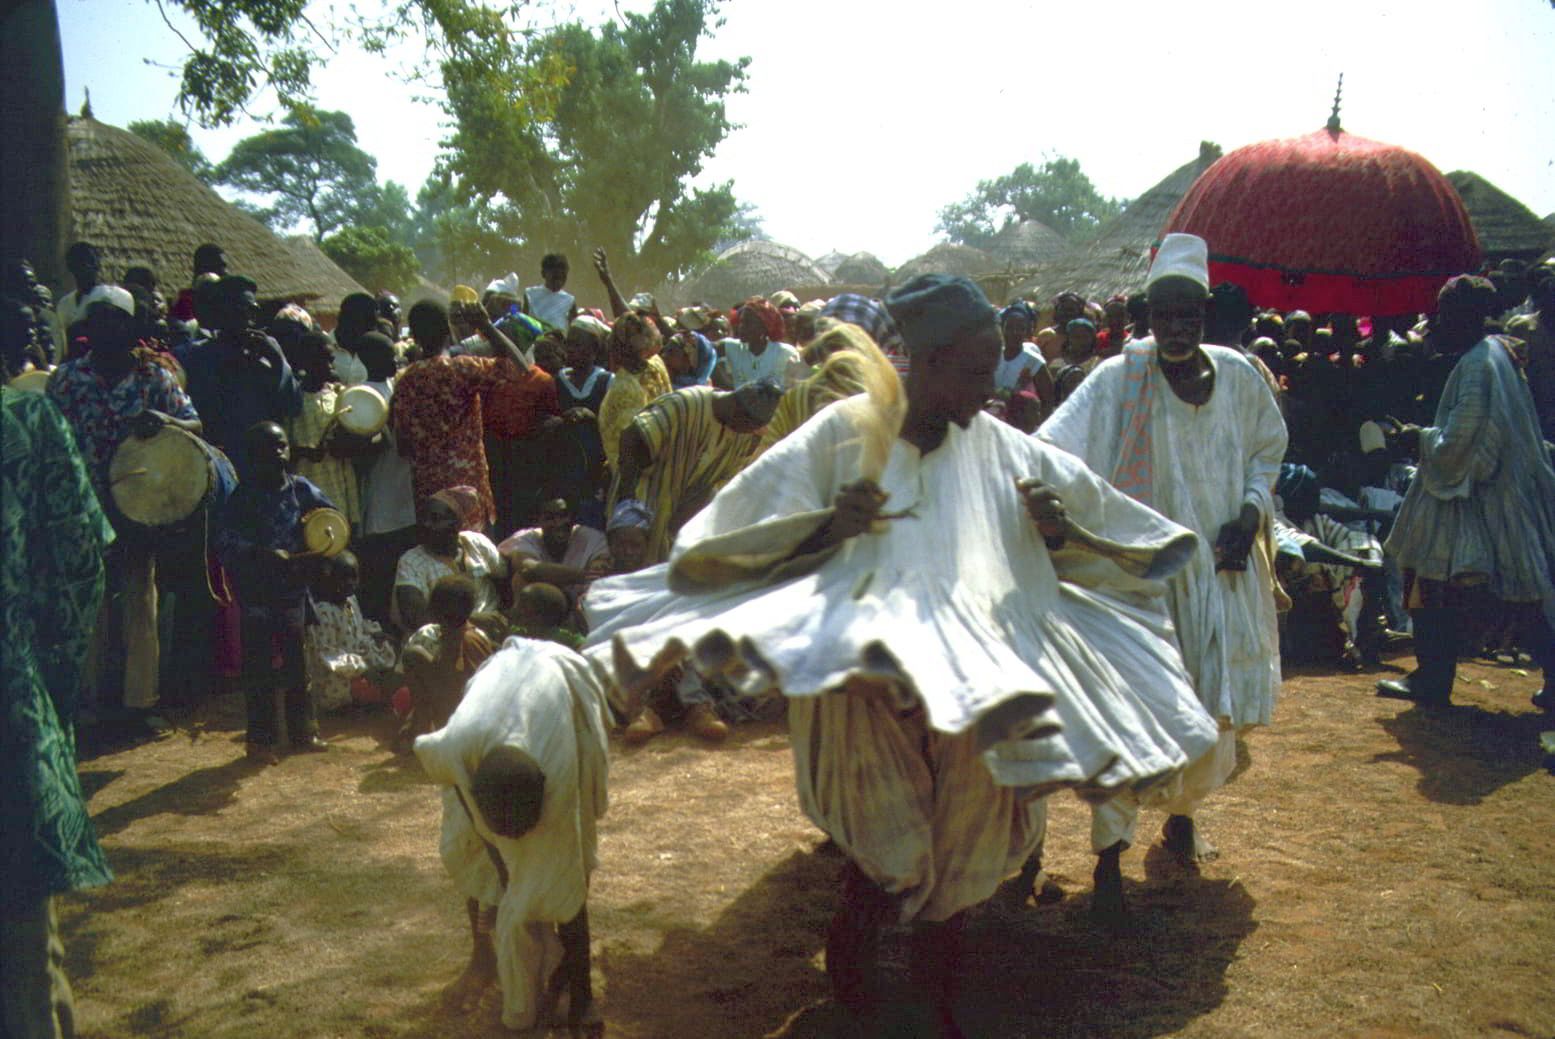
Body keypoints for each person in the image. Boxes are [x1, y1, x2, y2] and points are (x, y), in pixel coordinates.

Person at [583, 275, 1216, 1033]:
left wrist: (1054, 532)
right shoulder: (839, 436)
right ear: (926, 360)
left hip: (968, 696)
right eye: (975, 373)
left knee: (953, 875)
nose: (991, 388)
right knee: (882, 864)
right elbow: (722, 536)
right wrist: (824, 526)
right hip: (866, 697)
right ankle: (856, 998)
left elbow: (1105, 520)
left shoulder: (1001, 448)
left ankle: (935, 1007)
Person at [1039, 233, 1287, 893]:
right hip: (1142, 583)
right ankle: (1109, 863)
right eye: (1164, 314)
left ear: (1204, 317)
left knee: (1208, 714)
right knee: (1134, 716)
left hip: (1220, 575)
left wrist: (1250, 510)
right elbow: (1052, 449)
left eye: (1189, 315)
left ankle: (1181, 815)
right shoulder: (1120, 380)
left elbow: (1267, 448)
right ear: (1145, 316)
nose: (1176, 326)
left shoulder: (1235, 376)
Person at [414, 634, 611, 1036]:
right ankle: (485, 958)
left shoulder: (558, 773)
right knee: (487, 864)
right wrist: (501, 862)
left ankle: (581, 991)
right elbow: (485, 831)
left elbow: (569, 888)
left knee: (565, 884)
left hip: (547, 709)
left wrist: (530, 891)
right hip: (489, 738)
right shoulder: (456, 747)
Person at [1376, 275, 1555, 709]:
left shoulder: (1477, 365)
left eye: (1445, 312)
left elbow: (1462, 443)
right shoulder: (1495, 353)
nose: (1438, 321)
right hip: (1501, 495)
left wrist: (1415, 437)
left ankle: (1432, 681)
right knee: (1523, 593)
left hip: (1476, 498)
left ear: (1464, 317)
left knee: (1432, 584)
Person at [1, 384, 115, 1038]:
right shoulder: (24, 417)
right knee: (21, 954)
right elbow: (78, 564)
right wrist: (46, 695)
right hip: (9, 718)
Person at [46, 284, 203, 730]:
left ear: (129, 327)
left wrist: (166, 420)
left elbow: (195, 421)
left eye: (112, 319)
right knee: (89, 604)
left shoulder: (153, 377)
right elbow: (51, 440)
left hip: (139, 510)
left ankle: (140, 704)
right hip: (84, 507)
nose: (102, 328)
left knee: (140, 603)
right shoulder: (68, 379)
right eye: (95, 320)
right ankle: (87, 703)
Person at [216, 421, 336, 764]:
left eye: (282, 446)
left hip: (293, 590)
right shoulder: (242, 497)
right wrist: (260, 554)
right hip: (256, 592)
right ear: (252, 457)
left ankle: (303, 731)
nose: (278, 454)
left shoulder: (301, 490)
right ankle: (261, 739)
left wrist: (322, 547)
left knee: (298, 663)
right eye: (268, 449)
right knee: (259, 669)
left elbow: (331, 521)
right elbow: (224, 541)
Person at [391, 298, 535, 531]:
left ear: (415, 337)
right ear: (448, 331)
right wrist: (487, 326)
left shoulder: (405, 381)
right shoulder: (463, 369)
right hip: (468, 483)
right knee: (476, 555)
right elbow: (520, 369)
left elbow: (402, 444)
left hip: (428, 491)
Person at [613, 381, 783, 565]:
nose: (754, 433)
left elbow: (723, 480)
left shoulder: (744, 434)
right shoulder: (685, 404)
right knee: (626, 570)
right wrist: (628, 505)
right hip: (642, 501)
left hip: (678, 513)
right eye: (753, 427)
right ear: (739, 412)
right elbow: (631, 438)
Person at [180, 275, 302, 471]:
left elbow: (293, 406)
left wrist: (278, 359)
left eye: (254, 310)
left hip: (263, 465)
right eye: (241, 309)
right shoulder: (195, 357)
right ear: (220, 313)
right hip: (216, 464)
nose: (250, 317)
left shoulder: (266, 355)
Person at [356, 332, 419, 623]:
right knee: (381, 566)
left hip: (405, 489)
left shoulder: (398, 386)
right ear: (370, 360)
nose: (395, 359)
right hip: (382, 490)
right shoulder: (362, 395)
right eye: (387, 355)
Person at [397, 574, 497, 748]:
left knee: (413, 656)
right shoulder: (477, 636)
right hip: (480, 719)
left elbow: (456, 686)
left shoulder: (462, 640)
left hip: (462, 722)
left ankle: (421, 731)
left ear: (433, 611)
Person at [392, 488, 509, 633]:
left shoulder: (476, 543)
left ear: (456, 524)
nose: (426, 524)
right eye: (424, 518)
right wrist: (472, 621)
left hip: (491, 629)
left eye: (435, 519)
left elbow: (506, 575)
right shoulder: (411, 561)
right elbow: (414, 616)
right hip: (444, 636)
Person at [284, 331, 363, 531]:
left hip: (339, 484)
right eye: (323, 360)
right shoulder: (292, 401)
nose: (330, 366)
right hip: (306, 488)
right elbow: (283, 449)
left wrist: (344, 445)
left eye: (331, 360)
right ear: (305, 362)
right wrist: (304, 451)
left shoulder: (340, 396)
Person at [305, 550, 397, 712]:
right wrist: (364, 669)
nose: (350, 583)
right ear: (328, 579)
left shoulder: (350, 601)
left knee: (389, 665)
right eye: (343, 578)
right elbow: (330, 656)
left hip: (355, 664)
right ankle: (345, 704)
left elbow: (358, 626)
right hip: (334, 674)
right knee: (382, 691)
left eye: (354, 577)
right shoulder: (323, 612)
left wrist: (375, 634)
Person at [596, 312, 670, 477]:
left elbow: (635, 448)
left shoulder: (625, 387)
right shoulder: (655, 363)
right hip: (661, 464)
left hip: (639, 476)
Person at [499, 498, 609, 606]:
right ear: (538, 521)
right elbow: (527, 568)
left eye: (563, 516)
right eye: (549, 518)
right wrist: (581, 575)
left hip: (580, 607)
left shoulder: (592, 537)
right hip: (543, 608)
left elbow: (598, 573)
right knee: (520, 579)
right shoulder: (526, 537)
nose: (558, 523)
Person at [715, 296, 806, 390]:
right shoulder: (732, 347)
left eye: (748, 323)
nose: (741, 327)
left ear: (764, 327)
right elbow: (706, 349)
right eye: (741, 322)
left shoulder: (785, 353)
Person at [994, 301, 1046, 395]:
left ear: (1026, 331)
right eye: (1009, 327)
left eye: (1020, 328)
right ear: (1002, 329)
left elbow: (1047, 400)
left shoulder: (1034, 361)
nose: (1014, 332)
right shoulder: (993, 357)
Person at [54, 240, 102, 340]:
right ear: (71, 268)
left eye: (91, 262)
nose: (87, 267)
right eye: (82, 263)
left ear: (98, 266)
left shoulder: (105, 298)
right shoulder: (64, 304)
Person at [523, 253, 578, 331]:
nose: (559, 282)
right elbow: (522, 322)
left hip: (557, 340)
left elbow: (573, 330)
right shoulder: (530, 294)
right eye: (555, 277)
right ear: (543, 274)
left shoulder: (570, 300)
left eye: (563, 277)